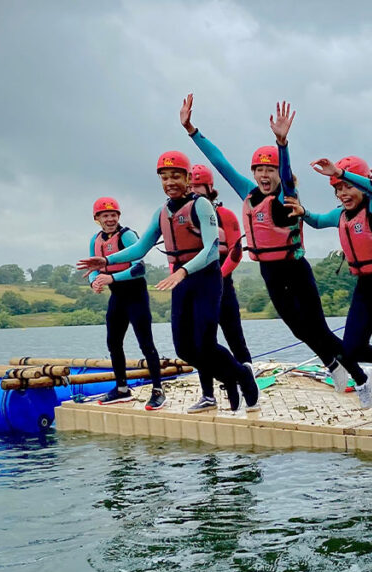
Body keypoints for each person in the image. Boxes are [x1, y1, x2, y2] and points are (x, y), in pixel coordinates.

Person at [179, 95, 368, 393]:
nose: (265, 175)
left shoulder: (286, 193)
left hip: (295, 269)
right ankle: (333, 365)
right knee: (297, 327)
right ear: (253, 173)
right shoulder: (247, 192)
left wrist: (282, 144)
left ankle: (360, 375)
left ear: (280, 173)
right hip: (270, 271)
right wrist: (192, 130)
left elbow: (285, 176)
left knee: (317, 327)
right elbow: (220, 161)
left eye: (271, 170)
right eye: (259, 170)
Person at [78, 151, 258, 414]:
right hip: (182, 282)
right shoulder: (161, 212)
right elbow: (140, 248)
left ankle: (242, 376)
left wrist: (183, 271)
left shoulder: (201, 205)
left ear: (187, 178)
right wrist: (105, 261)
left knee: (205, 344)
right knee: (185, 348)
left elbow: (211, 249)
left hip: (206, 279)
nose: (170, 182)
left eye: (176, 176)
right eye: (164, 177)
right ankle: (232, 375)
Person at [286, 155, 372, 409]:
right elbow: (317, 221)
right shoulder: (341, 216)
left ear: (360, 184)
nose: (342, 193)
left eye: (347, 186)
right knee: (351, 348)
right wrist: (303, 212)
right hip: (367, 288)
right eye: (338, 189)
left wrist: (340, 172)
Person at [87, 197, 166, 410]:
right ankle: (122, 389)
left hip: (136, 295)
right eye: (105, 216)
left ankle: (158, 390)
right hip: (117, 297)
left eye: (114, 215)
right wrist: (93, 280)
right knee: (113, 343)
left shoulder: (128, 236)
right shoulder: (95, 240)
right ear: (97, 219)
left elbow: (139, 268)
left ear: (118, 216)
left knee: (145, 344)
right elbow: (92, 268)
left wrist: (112, 278)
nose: (110, 219)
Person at [188, 163, 254, 398]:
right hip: (197, 291)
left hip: (222, 288)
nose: (194, 191)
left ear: (209, 188)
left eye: (198, 186)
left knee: (235, 339)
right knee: (202, 345)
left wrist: (217, 278)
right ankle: (208, 395)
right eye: (191, 186)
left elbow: (236, 253)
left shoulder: (225, 215)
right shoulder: (184, 216)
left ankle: (250, 388)